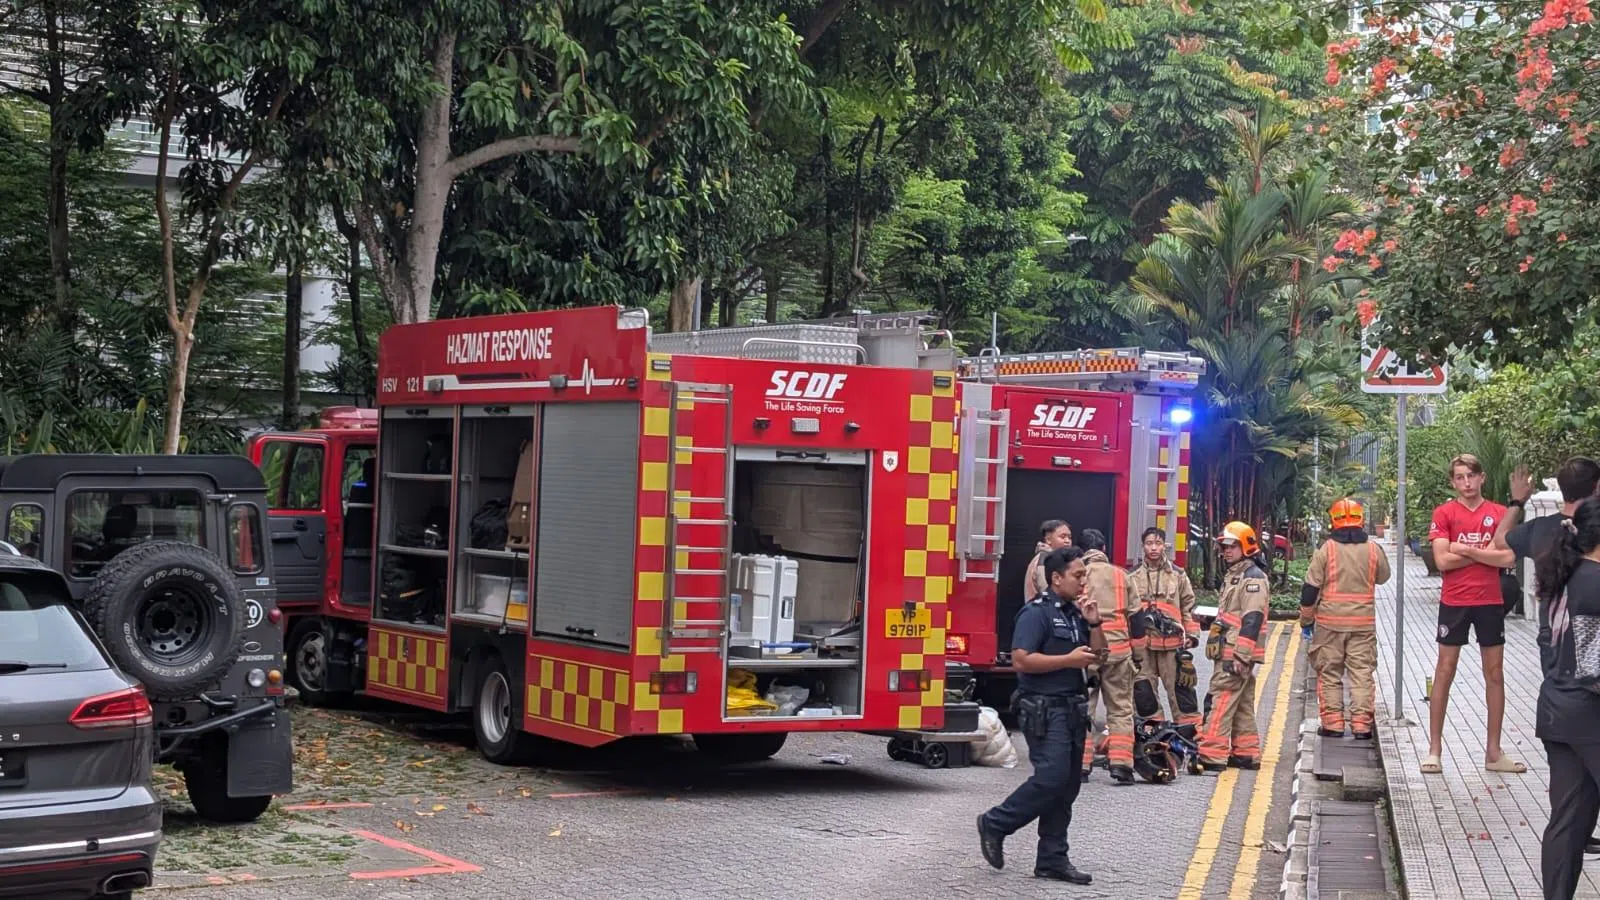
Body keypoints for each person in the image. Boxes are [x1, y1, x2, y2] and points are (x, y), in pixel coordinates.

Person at [1493, 456, 1600, 859]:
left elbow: (1501, 541)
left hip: (1554, 663)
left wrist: (1516, 501)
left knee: (1570, 785)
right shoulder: (1590, 555)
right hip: (1587, 678)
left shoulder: (1541, 530)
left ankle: (1576, 826)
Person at [977, 546, 1102, 885]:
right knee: (1050, 779)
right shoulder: (1036, 613)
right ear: (1056, 578)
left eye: (1083, 575)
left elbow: (1097, 656)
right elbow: (1021, 660)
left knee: (1067, 787)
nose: (1082, 581)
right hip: (1045, 710)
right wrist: (1067, 661)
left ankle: (1052, 859)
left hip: (1074, 709)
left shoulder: (1076, 614)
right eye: (1077, 575)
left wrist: (1095, 623)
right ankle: (996, 822)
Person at [1421, 453, 1525, 776]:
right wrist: (1485, 556)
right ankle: (1434, 749)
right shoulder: (1444, 513)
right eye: (1460, 477)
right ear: (1453, 481)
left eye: (1471, 476)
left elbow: (1508, 558)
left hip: (1489, 600)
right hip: (1454, 601)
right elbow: (1442, 561)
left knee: (1494, 673)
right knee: (1444, 670)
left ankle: (1493, 752)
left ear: (1481, 478)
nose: (1466, 483)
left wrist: (1465, 549)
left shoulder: (1497, 512)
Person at [1532, 499, 1600, 900]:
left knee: (1569, 820)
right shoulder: (1593, 581)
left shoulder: (1567, 573)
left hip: (1558, 706)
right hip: (1588, 711)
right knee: (1570, 819)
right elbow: (1595, 666)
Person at [1299, 498, 1391, 739]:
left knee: (1330, 673)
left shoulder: (1326, 550)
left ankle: (1333, 724)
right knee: (1361, 673)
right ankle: (1361, 726)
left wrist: (1306, 621)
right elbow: (1383, 577)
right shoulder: (1373, 550)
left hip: (1329, 624)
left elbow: (1310, 590)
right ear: (1361, 521)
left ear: (1333, 521)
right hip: (1363, 624)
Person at [1197, 521, 1271, 771]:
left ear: (1246, 547)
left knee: (1222, 699)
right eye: (1224, 546)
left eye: (1232, 546)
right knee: (1241, 704)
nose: (1226, 551)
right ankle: (1245, 753)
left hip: (1235, 652)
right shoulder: (1237, 576)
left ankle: (1212, 753)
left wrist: (1242, 655)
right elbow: (1235, 615)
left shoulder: (1252, 579)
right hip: (1231, 648)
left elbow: (1252, 619)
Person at [1077, 529, 1136, 784]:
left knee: (1083, 709)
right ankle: (1121, 764)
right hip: (1119, 652)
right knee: (1121, 709)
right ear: (1103, 547)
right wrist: (1140, 654)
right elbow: (1137, 616)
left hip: (1087, 652)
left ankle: (1081, 766)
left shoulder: (1077, 575)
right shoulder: (1122, 575)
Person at [1129, 527, 1202, 729]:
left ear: (1164, 546)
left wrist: (1192, 635)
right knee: (1144, 694)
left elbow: (1189, 607)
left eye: (1158, 543)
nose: (1153, 548)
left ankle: (1188, 736)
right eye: (1149, 543)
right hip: (1143, 647)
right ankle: (1152, 739)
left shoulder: (1178, 575)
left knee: (1182, 692)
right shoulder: (1132, 576)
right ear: (1143, 546)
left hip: (1173, 646)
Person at [1023, 519, 1073, 602]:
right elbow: (1047, 591)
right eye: (1063, 537)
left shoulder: (1050, 558)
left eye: (1069, 537)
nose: (1067, 541)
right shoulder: (1045, 560)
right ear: (1048, 540)